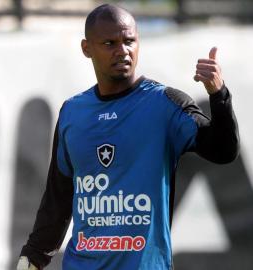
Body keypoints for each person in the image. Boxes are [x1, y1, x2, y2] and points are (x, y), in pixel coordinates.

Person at [16, 3, 239, 270]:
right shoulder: (73, 112)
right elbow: (59, 197)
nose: (122, 51)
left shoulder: (166, 104)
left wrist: (218, 94)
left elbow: (223, 150)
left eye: (129, 41)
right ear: (87, 49)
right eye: (110, 43)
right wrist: (33, 257)